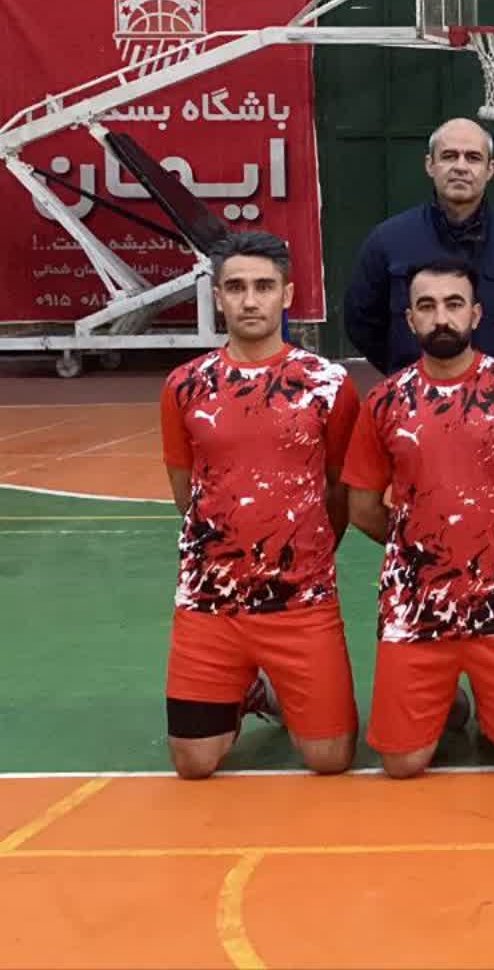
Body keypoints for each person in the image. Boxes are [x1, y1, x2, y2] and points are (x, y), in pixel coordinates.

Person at [343, 257, 494, 778]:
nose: (441, 317)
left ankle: (483, 702)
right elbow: (362, 507)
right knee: (401, 765)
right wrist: (418, 548)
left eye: (454, 304)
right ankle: (450, 704)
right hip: (414, 607)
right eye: (427, 306)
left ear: (476, 314)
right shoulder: (385, 401)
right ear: (410, 319)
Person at [158, 231, 360, 779]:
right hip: (209, 603)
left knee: (330, 759)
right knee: (194, 764)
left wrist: (305, 555)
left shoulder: (329, 383)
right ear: (218, 297)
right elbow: (185, 490)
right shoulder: (185, 385)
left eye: (264, 287)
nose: (250, 300)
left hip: (302, 601)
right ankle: (241, 689)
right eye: (237, 287)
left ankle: (269, 686)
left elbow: (339, 487)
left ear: (287, 294)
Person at [344, 117, 494, 374]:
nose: (460, 167)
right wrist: (406, 371)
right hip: (415, 394)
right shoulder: (388, 240)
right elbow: (361, 323)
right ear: (430, 165)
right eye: (449, 156)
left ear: (490, 169)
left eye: (473, 158)